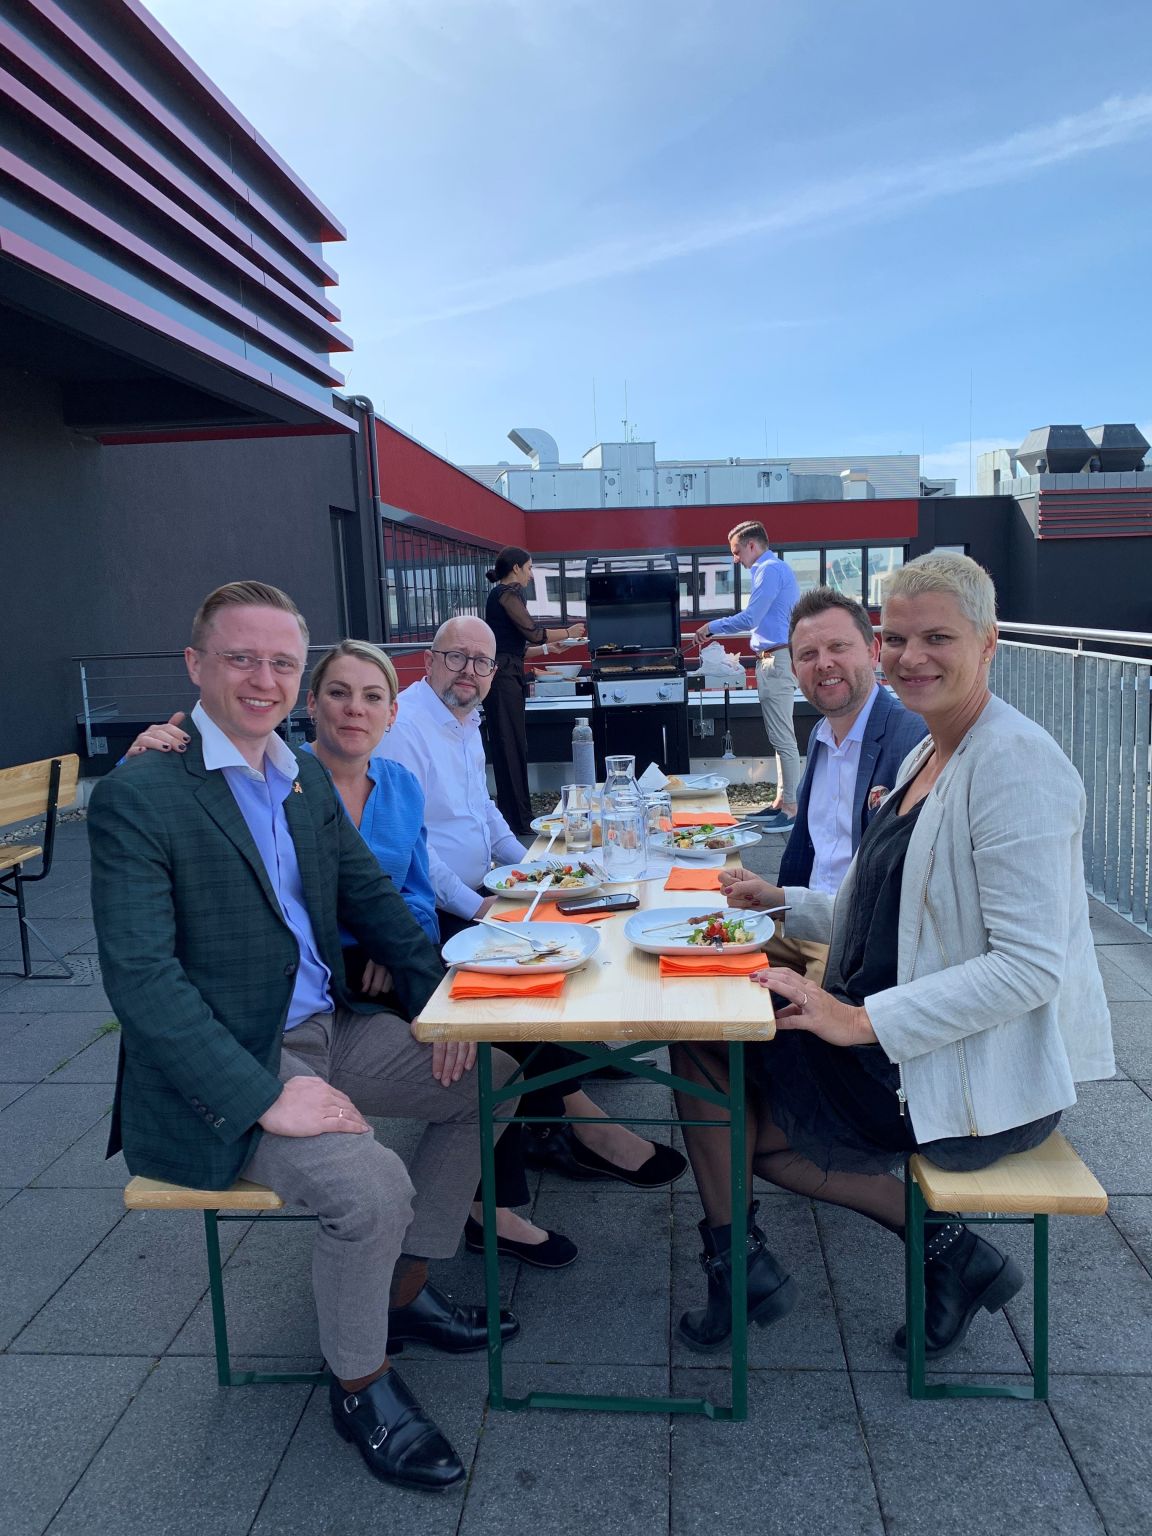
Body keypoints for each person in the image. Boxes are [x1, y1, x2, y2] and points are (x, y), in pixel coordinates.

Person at [90, 582, 520, 1494]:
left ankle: (399, 1291)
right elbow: (143, 982)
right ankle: (359, 1383)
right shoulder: (144, 792)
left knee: (492, 1075)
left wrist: (443, 1009)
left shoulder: (301, 778)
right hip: (234, 1060)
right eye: (240, 658)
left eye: (281, 661)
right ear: (195, 666)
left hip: (330, 1028)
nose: (263, 678)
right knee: (371, 1185)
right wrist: (263, 1092)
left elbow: (372, 900)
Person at [670, 552, 1114, 1358]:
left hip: (969, 1073)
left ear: (990, 643)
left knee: (736, 1090)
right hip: (903, 1042)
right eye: (898, 637)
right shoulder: (929, 754)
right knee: (708, 1031)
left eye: (937, 637)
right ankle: (783, 1265)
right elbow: (886, 910)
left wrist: (857, 1018)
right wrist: (784, 904)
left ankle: (801, 1263)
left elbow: (1029, 967)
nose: (912, 657)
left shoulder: (1015, 764)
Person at [127, 640, 578, 1269]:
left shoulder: (395, 782)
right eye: (338, 693)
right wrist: (164, 760)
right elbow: (258, 882)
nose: (354, 710)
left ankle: (536, 1149)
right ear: (311, 703)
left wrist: (403, 951)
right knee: (499, 1031)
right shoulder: (280, 780)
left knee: (513, 1018)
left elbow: (412, 890)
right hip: (326, 980)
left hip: (390, 955)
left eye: (372, 697)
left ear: (392, 712)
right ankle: (534, 1163)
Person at [380, 615, 687, 1195]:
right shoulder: (406, 726)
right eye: (457, 657)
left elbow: (483, 810)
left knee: (583, 919)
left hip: (482, 887)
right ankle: (574, 1120)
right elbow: (415, 844)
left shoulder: (462, 717)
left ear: (495, 673)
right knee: (524, 966)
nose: (469, 672)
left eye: (482, 663)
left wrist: (532, 867)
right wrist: (480, 907)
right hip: (434, 904)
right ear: (430, 659)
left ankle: (576, 1068)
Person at [718, 587, 928, 985]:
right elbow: (808, 850)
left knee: (741, 1021)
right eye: (808, 655)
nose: (823, 663)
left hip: (852, 941)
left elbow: (905, 895)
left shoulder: (913, 739)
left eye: (838, 647)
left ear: (873, 650)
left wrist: (784, 903)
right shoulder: (820, 735)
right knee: (688, 963)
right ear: (794, 668)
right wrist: (773, 897)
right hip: (797, 924)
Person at [687, 520, 801, 830]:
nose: (736, 559)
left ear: (752, 545)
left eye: (737, 552)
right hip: (771, 659)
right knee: (780, 738)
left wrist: (711, 628)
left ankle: (790, 809)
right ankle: (782, 802)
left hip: (775, 659)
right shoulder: (771, 570)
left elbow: (751, 618)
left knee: (784, 739)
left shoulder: (769, 570)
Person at [484, 545, 585, 834]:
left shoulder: (499, 595)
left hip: (504, 677)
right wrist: (568, 632)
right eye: (529, 568)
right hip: (503, 682)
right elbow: (532, 631)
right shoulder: (508, 594)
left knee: (511, 747)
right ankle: (518, 820)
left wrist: (547, 648)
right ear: (515, 568)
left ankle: (516, 817)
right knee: (511, 747)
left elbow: (513, 647)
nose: (530, 574)